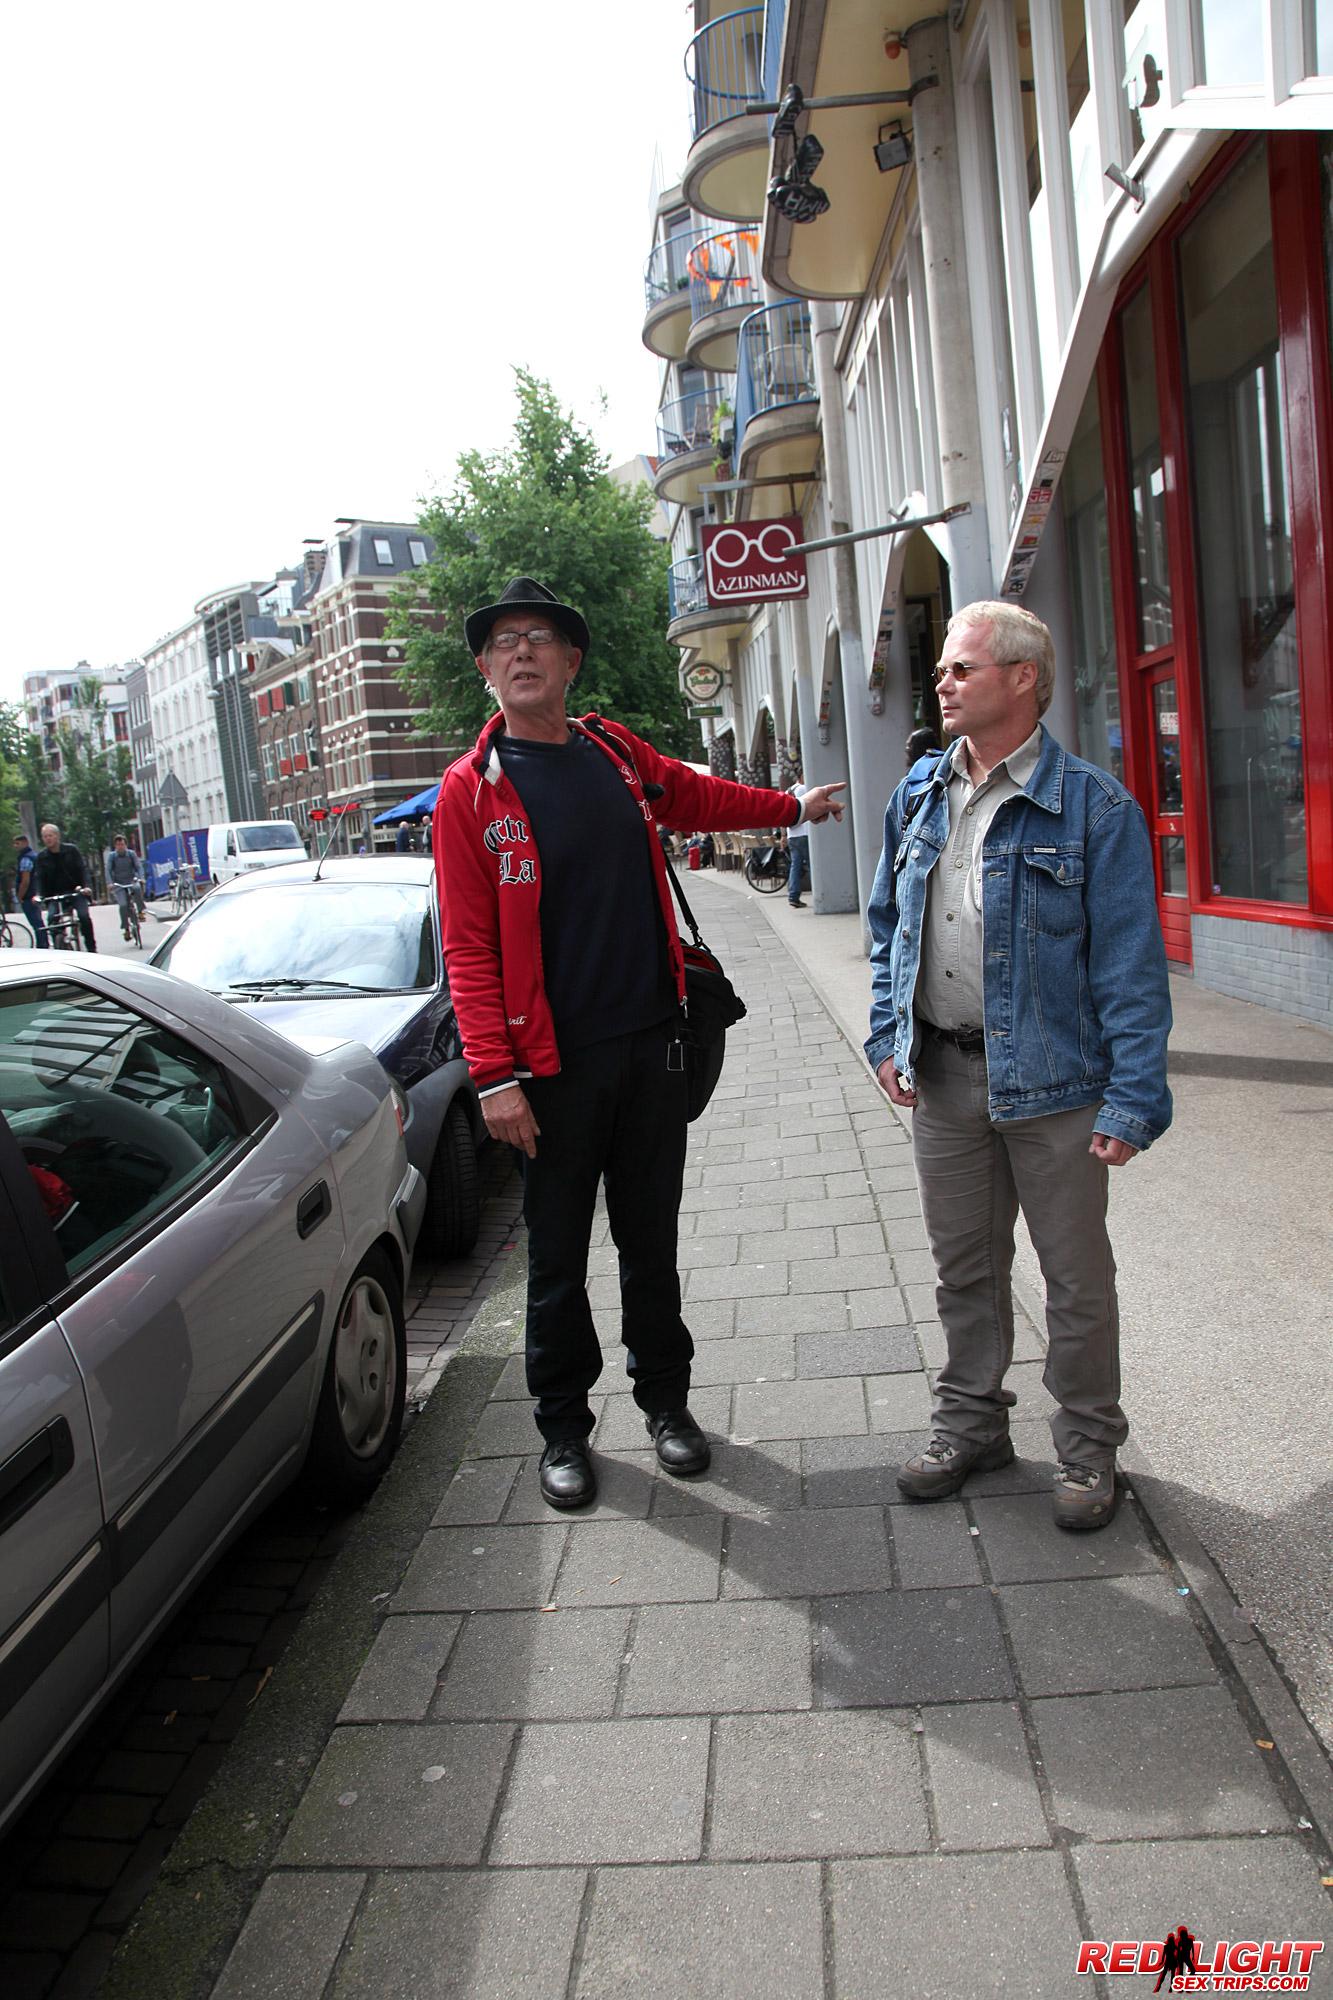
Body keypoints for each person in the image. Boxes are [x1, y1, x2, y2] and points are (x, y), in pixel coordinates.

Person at [434, 576, 845, 1510]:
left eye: (540, 637)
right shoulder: (470, 792)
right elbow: (467, 944)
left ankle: (666, 1405)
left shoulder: (614, 752)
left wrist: (788, 808)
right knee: (556, 1260)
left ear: (570, 662)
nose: (522, 650)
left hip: (653, 1046)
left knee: (650, 1243)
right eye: (503, 641)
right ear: (486, 669)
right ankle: (563, 1430)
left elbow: (697, 796)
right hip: (550, 1071)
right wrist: (493, 1076)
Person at [865, 600, 1171, 1532]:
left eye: (961, 668)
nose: (942, 683)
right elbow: (888, 927)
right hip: (943, 1077)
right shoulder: (918, 791)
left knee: (1075, 1281)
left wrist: (1132, 1098)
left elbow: (1128, 966)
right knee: (963, 1269)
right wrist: (886, 1036)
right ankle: (971, 1426)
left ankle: (1086, 1447)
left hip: (1055, 1083)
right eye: (941, 671)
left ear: (1023, 677)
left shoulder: (1094, 807)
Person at [33, 823, 97, 951]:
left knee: (83, 916)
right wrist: (38, 895)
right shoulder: (42, 857)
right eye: (44, 836)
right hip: (54, 895)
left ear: (57, 836)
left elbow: (82, 869)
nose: (47, 839)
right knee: (52, 919)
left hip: (75, 891)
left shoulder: (71, 850)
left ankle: (91, 948)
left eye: (50, 835)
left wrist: (86, 887)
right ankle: (59, 948)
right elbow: (39, 877)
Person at [106, 835, 146, 938]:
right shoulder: (112, 856)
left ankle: (140, 911)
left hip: (131, 881)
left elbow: (139, 867)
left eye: (122, 844)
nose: (120, 847)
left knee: (137, 888)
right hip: (119, 884)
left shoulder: (131, 854)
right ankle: (126, 928)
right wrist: (110, 883)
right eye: (118, 845)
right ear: (115, 846)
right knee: (123, 905)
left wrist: (141, 878)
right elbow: (108, 870)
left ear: (126, 845)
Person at [11, 832, 46, 946]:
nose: (15, 846)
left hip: (28, 895)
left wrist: (20, 896)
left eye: (18, 843)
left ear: (25, 843)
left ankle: (42, 946)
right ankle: (44, 943)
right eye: (14, 844)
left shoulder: (26, 858)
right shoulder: (34, 855)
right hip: (35, 893)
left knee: (36, 923)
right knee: (39, 922)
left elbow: (25, 881)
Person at [786, 782, 810, 907]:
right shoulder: (803, 789)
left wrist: (783, 836)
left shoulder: (788, 791)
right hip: (804, 833)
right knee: (813, 865)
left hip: (792, 835)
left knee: (795, 866)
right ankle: (822, 892)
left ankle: (793, 896)